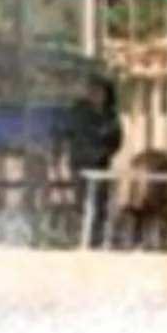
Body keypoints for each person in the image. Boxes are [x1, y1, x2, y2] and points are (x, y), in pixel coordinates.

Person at [58, 74, 124, 248]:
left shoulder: (110, 115)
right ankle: (83, 236)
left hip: (101, 163)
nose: (95, 94)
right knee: (83, 200)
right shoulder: (78, 111)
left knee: (101, 201)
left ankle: (98, 238)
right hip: (82, 162)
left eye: (100, 91)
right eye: (93, 90)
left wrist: (105, 150)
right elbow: (73, 134)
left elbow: (117, 138)